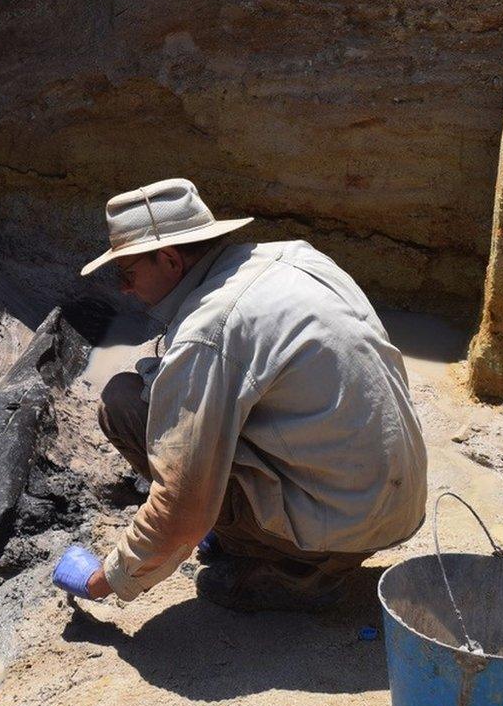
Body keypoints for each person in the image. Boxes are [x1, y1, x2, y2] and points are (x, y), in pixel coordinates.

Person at [54, 178, 427, 610]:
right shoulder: (296, 256)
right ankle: (269, 541)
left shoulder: (210, 330)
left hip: (342, 528)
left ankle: (299, 572)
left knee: (123, 404)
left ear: (171, 259)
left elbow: (181, 506)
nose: (123, 287)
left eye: (128, 273)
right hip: (397, 503)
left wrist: (106, 580)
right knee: (170, 404)